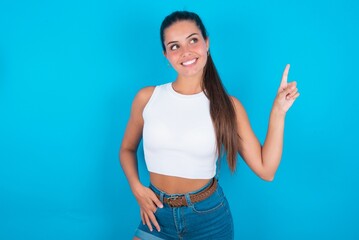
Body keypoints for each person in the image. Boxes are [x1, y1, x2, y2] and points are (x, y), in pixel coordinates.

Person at [119, 10, 299, 240]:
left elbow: (266, 170)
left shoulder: (227, 106)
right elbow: (126, 149)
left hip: (209, 219)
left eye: (193, 40)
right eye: (175, 46)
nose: (186, 52)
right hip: (156, 214)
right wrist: (137, 189)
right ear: (166, 54)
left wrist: (278, 112)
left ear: (207, 42)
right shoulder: (147, 98)